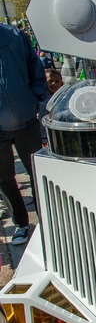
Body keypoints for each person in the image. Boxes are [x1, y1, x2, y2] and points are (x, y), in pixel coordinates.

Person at [0, 23, 48, 245]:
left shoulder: (15, 36)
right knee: (4, 179)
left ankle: (48, 221)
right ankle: (21, 223)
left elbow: (35, 69)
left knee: (37, 174)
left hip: (26, 120)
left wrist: (37, 99)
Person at [38, 69, 63, 146]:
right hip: (49, 137)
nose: (54, 84)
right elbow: (41, 122)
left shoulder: (63, 97)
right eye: (50, 81)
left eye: (57, 81)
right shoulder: (43, 101)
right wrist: (44, 139)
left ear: (62, 83)